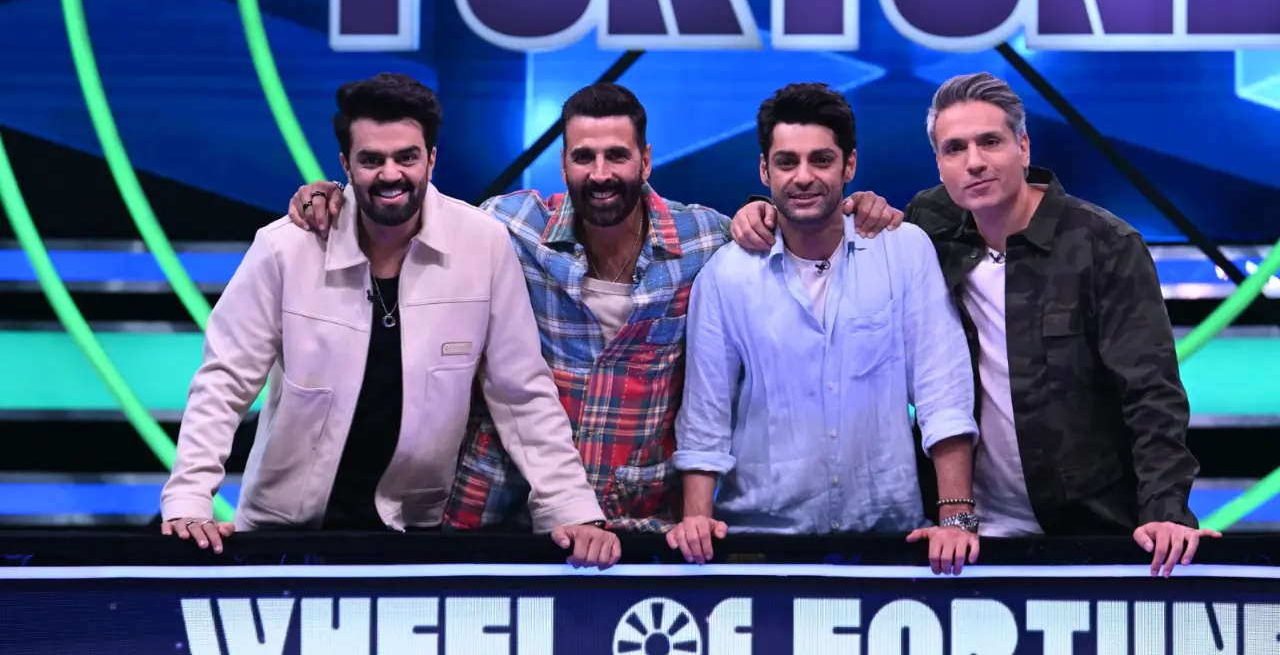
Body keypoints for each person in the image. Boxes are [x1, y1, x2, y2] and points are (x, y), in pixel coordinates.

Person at [286, 83, 903, 533]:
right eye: (584, 157)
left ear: (646, 160)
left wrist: (839, 207)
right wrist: (333, 195)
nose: (600, 172)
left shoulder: (706, 241)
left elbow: (791, 219)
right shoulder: (509, 228)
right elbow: (405, 201)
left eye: (617, 156)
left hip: (641, 524)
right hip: (500, 513)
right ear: (563, 163)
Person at [730, 72, 1217, 577]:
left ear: (1023, 147)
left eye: (990, 142)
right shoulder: (929, 225)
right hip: (962, 539)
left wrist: (1165, 511)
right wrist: (759, 212)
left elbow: (1151, 395)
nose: (975, 162)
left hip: (1090, 530)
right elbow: (828, 216)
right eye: (955, 148)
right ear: (939, 164)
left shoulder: (1105, 246)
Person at [160, 74, 620, 569]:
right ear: (345, 166)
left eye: (406, 157)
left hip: (413, 531)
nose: (390, 174)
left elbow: (521, 392)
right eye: (371, 160)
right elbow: (224, 381)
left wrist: (572, 509)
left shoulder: (483, 245)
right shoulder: (284, 248)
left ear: (431, 159)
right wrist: (189, 497)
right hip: (281, 531)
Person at [668, 83, 980, 576]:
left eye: (821, 160)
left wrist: (957, 519)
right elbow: (705, 417)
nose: (803, 177)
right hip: (757, 543)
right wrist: (696, 522)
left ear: (849, 165)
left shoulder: (904, 250)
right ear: (764, 171)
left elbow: (943, 393)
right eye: (787, 162)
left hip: (890, 539)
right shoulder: (726, 274)